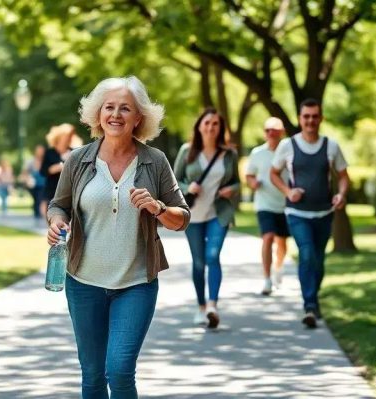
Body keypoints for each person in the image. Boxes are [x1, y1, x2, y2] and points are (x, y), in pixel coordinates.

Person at [47, 76, 190, 398]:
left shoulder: (155, 161)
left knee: (120, 370)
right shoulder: (78, 160)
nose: (116, 114)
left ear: (138, 118)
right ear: (98, 114)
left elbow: (182, 218)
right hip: (84, 282)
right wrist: (56, 221)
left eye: (125, 108)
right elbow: (60, 205)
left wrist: (157, 208)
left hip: (136, 283)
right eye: (109, 107)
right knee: (93, 376)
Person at [270, 98, 350, 329]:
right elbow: (274, 173)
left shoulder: (331, 146)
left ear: (321, 118)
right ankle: (309, 306)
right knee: (306, 253)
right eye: (306, 116)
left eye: (315, 116)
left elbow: (344, 176)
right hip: (297, 213)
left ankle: (313, 299)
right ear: (300, 119)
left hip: (324, 213)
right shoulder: (287, 145)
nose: (310, 120)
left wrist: (341, 195)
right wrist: (288, 190)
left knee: (318, 259)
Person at [173, 108, 240, 329]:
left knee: (213, 256)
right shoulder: (187, 150)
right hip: (192, 215)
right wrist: (187, 186)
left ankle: (212, 306)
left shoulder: (228, 154)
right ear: (199, 126)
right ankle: (201, 306)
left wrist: (231, 189)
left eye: (215, 124)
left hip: (218, 213)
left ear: (221, 128)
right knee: (199, 263)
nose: (211, 127)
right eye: (207, 123)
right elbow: (173, 182)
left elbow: (237, 182)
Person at [245, 117, 289, 296]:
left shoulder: (288, 151)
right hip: (264, 203)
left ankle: (278, 267)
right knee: (268, 237)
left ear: (282, 132)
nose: (271, 133)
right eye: (267, 130)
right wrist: (253, 183)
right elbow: (249, 176)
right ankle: (267, 279)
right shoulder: (257, 153)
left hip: (285, 204)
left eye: (275, 130)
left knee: (282, 242)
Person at [40, 123, 75, 216]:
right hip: (52, 190)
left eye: (70, 136)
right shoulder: (49, 152)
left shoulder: (73, 152)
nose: (69, 138)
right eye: (67, 136)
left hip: (68, 191)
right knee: (52, 217)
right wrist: (55, 168)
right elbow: (43, 171)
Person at [20, 144, 46, 221]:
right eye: (39, 151)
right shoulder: (30, 161)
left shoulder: (46, 161)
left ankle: (39, 214)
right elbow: (25, 172)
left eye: (42, 151)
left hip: (43, 184)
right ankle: (36, 213)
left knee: (40, 198)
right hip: (33, 184)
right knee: (36, 199)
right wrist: (27, 179)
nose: (40, 152)